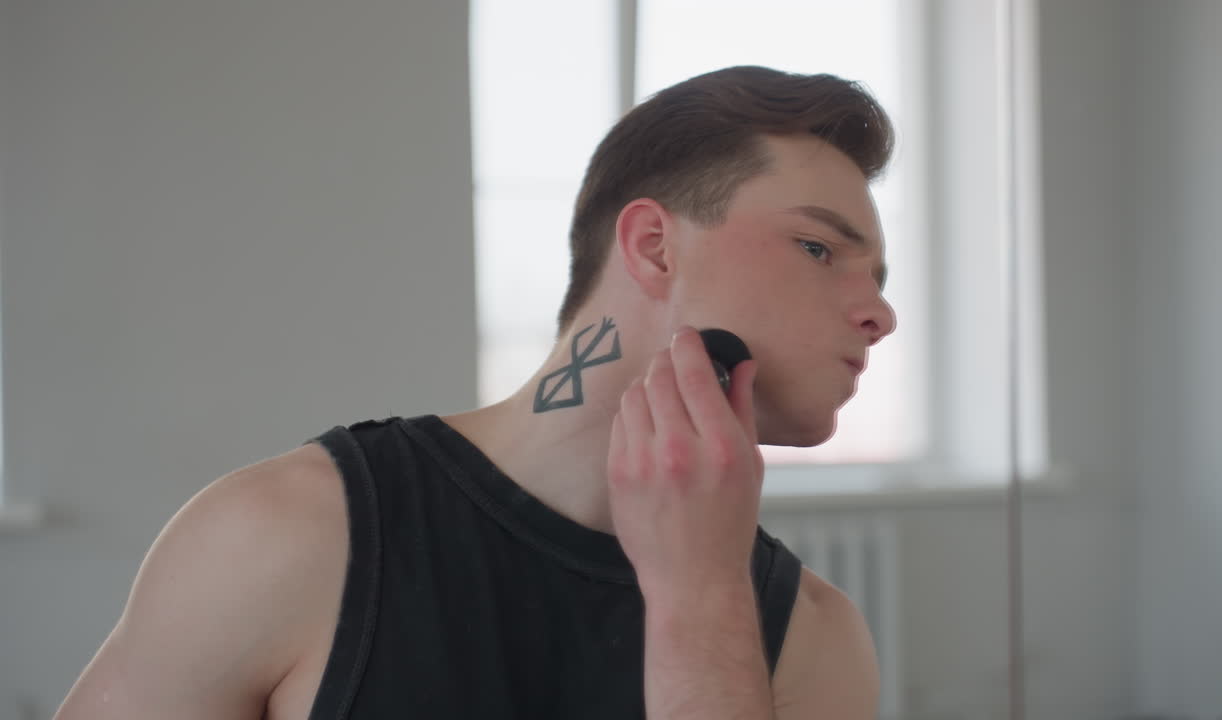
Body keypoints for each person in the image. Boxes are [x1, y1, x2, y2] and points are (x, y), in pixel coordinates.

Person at [55, 65, 897, 719]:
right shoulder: (282, 537)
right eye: (819, 249)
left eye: (881, 277)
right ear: (653, 248)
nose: (882, 314)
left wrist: (703, 602)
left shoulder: (813, 640)